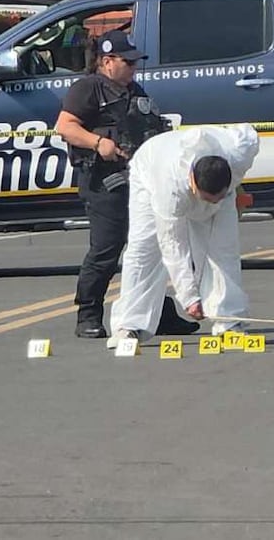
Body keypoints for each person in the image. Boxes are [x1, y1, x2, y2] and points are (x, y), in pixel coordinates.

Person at [54, 29, 175, 339]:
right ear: (107, 61)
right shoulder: (89, 88)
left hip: (139, 179)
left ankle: (158, 314)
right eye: (128, 62)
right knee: (107, 248)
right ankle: (88, 314)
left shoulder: (134, 91)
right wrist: (97, 143)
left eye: (135, 63)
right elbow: (65, 126)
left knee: (149, 247)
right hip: (104, 180)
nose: (134, 68)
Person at [107, 123, 260, 346]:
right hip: (150, 170)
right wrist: (189, 297)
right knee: (145, 249)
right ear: (192, 183)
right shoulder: (168, 188)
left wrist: (232, 192)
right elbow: (172, 244)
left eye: (217, 197)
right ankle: (130, 325)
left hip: (218, 187)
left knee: (224, 249)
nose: (211, 204)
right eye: (207, 199)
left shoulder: (238, 153)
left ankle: (229, 320)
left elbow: (250, 134)